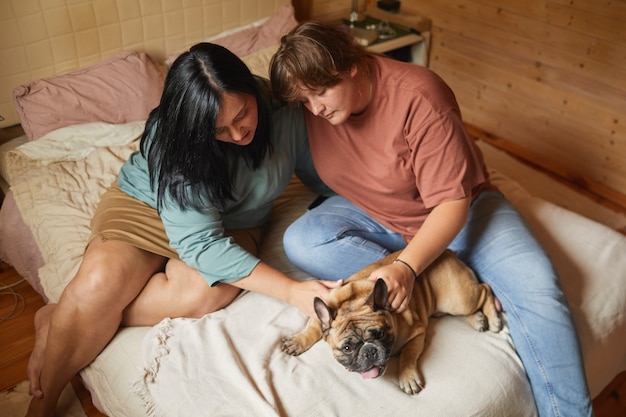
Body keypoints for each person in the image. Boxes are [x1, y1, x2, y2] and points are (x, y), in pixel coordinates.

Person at [269, 22, 593, 417]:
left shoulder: (419, 95)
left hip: (461, 214)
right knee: (302, 240)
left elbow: (454, 202)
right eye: (305, 101)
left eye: (320, 93)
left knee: (540, 293)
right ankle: (433, 283)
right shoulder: (316, 107)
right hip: (381, 214)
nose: (315, 108)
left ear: (351, 65)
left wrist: (407, 266)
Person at [25, 42, 337, 417]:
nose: (238, 134)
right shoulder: (173, 136)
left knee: (202, 294)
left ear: (251, 90)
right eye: (220, 129)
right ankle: (41, 405)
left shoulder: (281, 106)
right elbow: (198, 243)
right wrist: (292, 291)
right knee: (97, 285)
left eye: (243, 115)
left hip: (233, 220)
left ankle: (66, 316)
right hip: (149, 208)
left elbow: (315, 166)